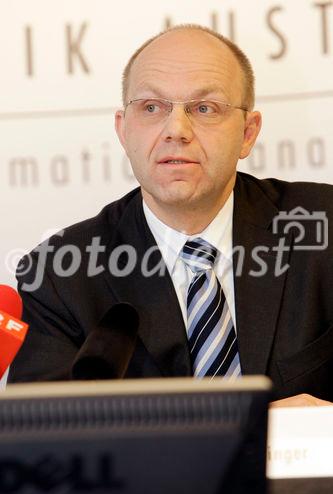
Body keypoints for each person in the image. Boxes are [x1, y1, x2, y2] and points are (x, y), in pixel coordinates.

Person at [9, 24, 333, 407]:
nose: (176, 130)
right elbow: (47, 445)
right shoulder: (59, 277)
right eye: (151, 108)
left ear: (248, 133)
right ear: (123, 130)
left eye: (204, 108)